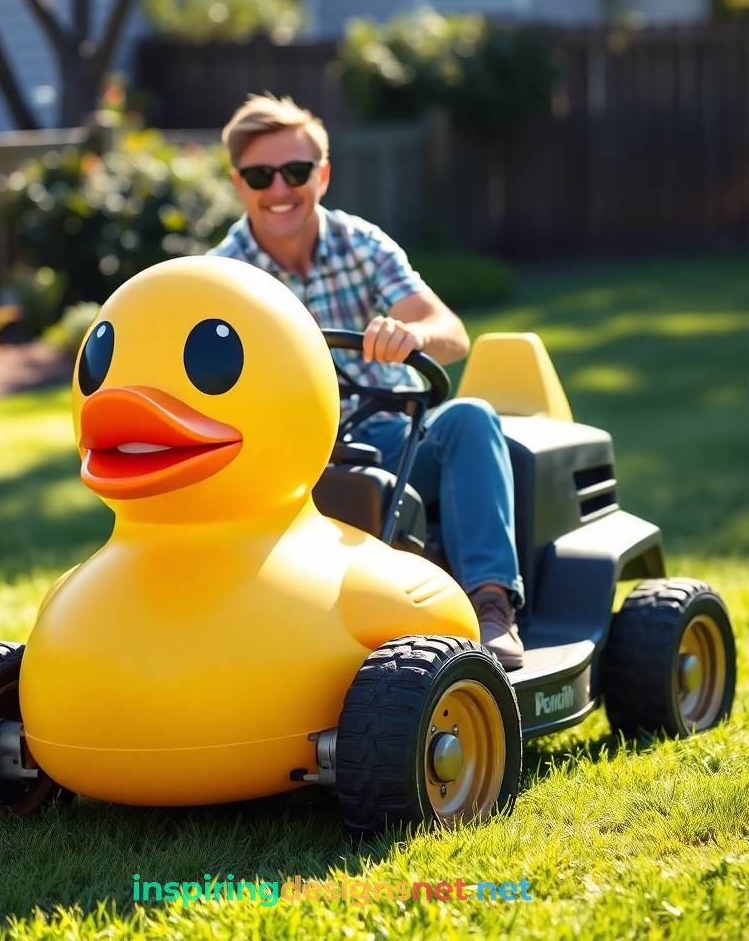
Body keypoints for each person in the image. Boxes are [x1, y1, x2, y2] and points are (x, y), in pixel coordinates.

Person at [208, 94, 525, 669]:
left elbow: (448, 329)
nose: (279, 189)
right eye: (260, 175)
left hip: (382, 438)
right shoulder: (222, 275)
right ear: (238, 184)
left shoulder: (362, 245)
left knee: (469, 418)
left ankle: (490, 604)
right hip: (273, 459)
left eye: (296, 172)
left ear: (322, 175)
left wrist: (413, 336)